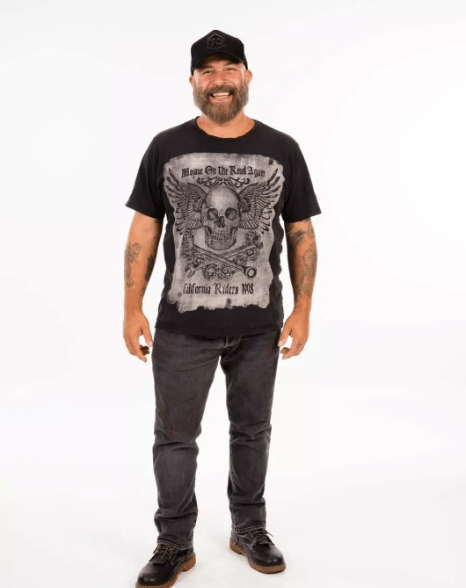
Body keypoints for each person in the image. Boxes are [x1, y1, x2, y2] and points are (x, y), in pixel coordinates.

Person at [123, 29, 321, 588]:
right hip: (182, 327)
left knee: (253, 431)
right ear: (192, 81)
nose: (219, 80)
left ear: (247, 76)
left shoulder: (282, 149)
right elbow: (144, 228)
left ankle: (249, 527)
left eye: (229, 68)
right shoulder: (166, 147)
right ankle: (174, 541)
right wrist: (131, 308)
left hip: (259, 326)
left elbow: (301, 233)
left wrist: (303, 309)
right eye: (207, 71)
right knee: (174, 437)